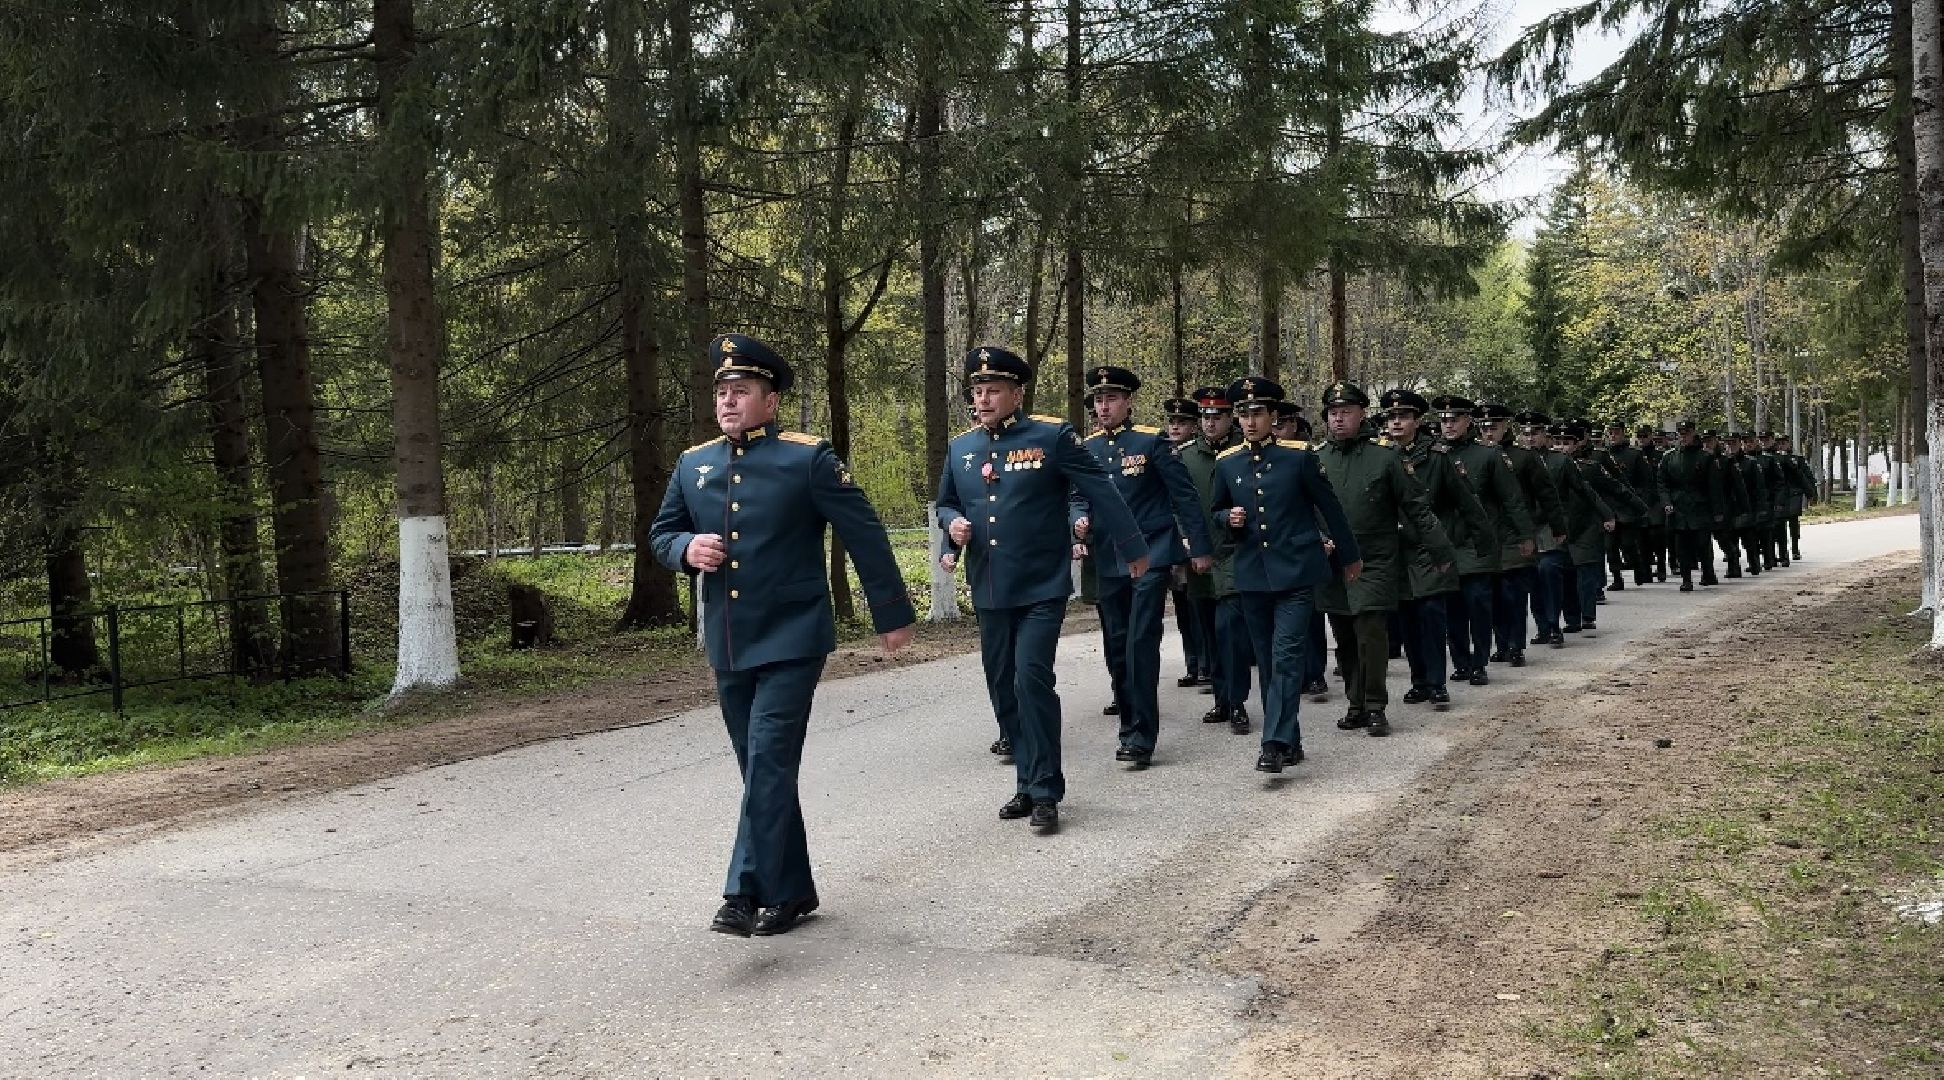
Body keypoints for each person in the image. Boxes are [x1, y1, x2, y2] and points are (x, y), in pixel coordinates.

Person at [649, 333, 917, 938]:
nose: (727, 402)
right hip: (729, 642)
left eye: (740, 391)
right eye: (721, 392)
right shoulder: (695, 464)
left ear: (770, 401)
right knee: (761, 772)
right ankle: (793, 891)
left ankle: (743, 891)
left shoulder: (808, 458)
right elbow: (661, 534)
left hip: (794, 637)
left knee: (768, 760)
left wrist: (891, 612)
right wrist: (686, 549)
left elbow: (865, 533)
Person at [936, 346, 1147, 833]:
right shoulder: (961, 448)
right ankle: (1025, 784)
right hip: (989, 586)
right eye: (976, 391)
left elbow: (1100, 489)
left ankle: (1046, 788)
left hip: (1040, 586)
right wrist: (954, 526)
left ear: (1017, 393)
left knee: (1032, 678)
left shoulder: (1052, 437)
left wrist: (1133, 548)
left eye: (992, 390)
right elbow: (947, 503)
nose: (983, 399)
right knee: (1003, 684)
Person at [1210, 377, 1361, 772]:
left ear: (1273, 416)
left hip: (1295, 572)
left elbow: (1331, 509)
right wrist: (1229, 517)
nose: (1250, 420)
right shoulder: (1227, 463)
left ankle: (1273, 742)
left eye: (1257, 413)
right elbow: (1215, 511)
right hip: (1252, 576)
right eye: (1243, 414)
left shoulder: (1299, 457)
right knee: (1268, 660)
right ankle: (1289, 740)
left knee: (1287, 655)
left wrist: (1349, 556)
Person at [1075, 367, 1214, 767]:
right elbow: (1076, 496)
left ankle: (1139, 735)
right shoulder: (1087, 449)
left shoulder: (1153, 442)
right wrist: (1077, 520)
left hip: (1152, 555)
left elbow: (1184, 497)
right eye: (1099, 400)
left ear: (1128, 401)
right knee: (1117, 642)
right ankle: (1128, 720)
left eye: (1112, 399)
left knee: (1140, 641)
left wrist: (1198, 548)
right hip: (1108, 557)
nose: (1103, 407)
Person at [1314, 383, 1454, 737]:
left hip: (1374, 558)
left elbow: (1417, 508)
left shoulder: (1386, 456)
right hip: (1331, 563)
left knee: (1370, 632)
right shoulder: (1315, 458)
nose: (1339, 418)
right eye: (1333, 413)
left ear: (1362, 414)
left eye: (1346, 411)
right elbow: (1302, 510)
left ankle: (1375, 705)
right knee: (1344, 635)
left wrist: (1440, 551)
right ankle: (1355, 703)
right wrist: (1318, 538)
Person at [1387, 390, 1490, 707]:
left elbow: (1467, 501)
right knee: (1407, 618)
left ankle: (1436, 682)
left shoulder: (1438, 456)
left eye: (1403, 417)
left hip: (1430, 547)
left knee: (1431, 614)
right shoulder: (1379, 455)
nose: (1396, 423)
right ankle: (1419, 680)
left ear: (1417, 421)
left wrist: (1483, 543)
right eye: (1391, 417)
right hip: (1395, 549)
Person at [1429, 395, 1534, 687]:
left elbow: (1512, 499)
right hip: (1444, 542)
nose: (1448, 425)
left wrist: (1525, 535)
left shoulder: (1488, 456)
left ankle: (1480, 662)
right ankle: (1461, 662)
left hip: (1478, 543)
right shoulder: (1433, 455)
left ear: (1468, 422)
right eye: (1444, 420)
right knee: (1453, 609)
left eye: (1455, 420)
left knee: (1478, 604)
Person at [1176, 385, 1254, 733]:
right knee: (1207, 632)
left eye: (1217, 417)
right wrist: (1185, 542)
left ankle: (1237, 702)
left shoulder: (1243, 452)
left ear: (1230, 418)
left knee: (1231, 631)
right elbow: (1175, 503)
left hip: (1236, 554)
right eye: (1205, 417)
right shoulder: (1184, 455)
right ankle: (1221, 699)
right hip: (1198, 557)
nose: (1210, 423)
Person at [1481, 401, 1560, 669]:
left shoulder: (1524, 457)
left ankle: (1515, 645)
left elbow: (1546, 494)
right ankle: (1501, 644)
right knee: (1493, 595)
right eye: (1483, 427)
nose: (1488, 432)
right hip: (1486, 535)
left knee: (1513, 593)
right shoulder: (1476, 455)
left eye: (1493, 427)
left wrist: (1557, 527)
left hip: (1516, 533)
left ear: (1506, 427)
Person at [1161, 396, 1210, 689]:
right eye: (1172, 422)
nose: (1176, 427)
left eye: (1183, 422)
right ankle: (1193, 663)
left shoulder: (1196, 455)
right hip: (1171, 540)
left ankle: (1206, 663)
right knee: (1182, 606)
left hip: (1195, 539)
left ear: (1194, 426)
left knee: (1199, 605)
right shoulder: (1162, 452)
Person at [1658, 420, 1726, 591]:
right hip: (1678, 508)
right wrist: (1667, 502)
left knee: (1703, 543)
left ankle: (1708, 572)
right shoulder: (1669, 457)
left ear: (1694, 433)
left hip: (1700, 507)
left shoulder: (1706, 457)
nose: (1684, 436)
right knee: (1682, 546)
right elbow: (1662, 483)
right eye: (1681, 433)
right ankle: (1686, 578)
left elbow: (1714, 487)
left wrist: (1717, 511)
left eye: (1686, 432)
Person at [1604, 422, 1661, 587]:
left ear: (1623, 433)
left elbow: (1647, 482)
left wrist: (1641, 503)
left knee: (1628, 544)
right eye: (1611, 433)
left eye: (1616, 432)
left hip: (1629, 506)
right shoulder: (1604, 455)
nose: (1613, 436)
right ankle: (1617, 578)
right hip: (1609, 506)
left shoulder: (1634, 455)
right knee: (1610, 546)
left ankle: (1638, 566)